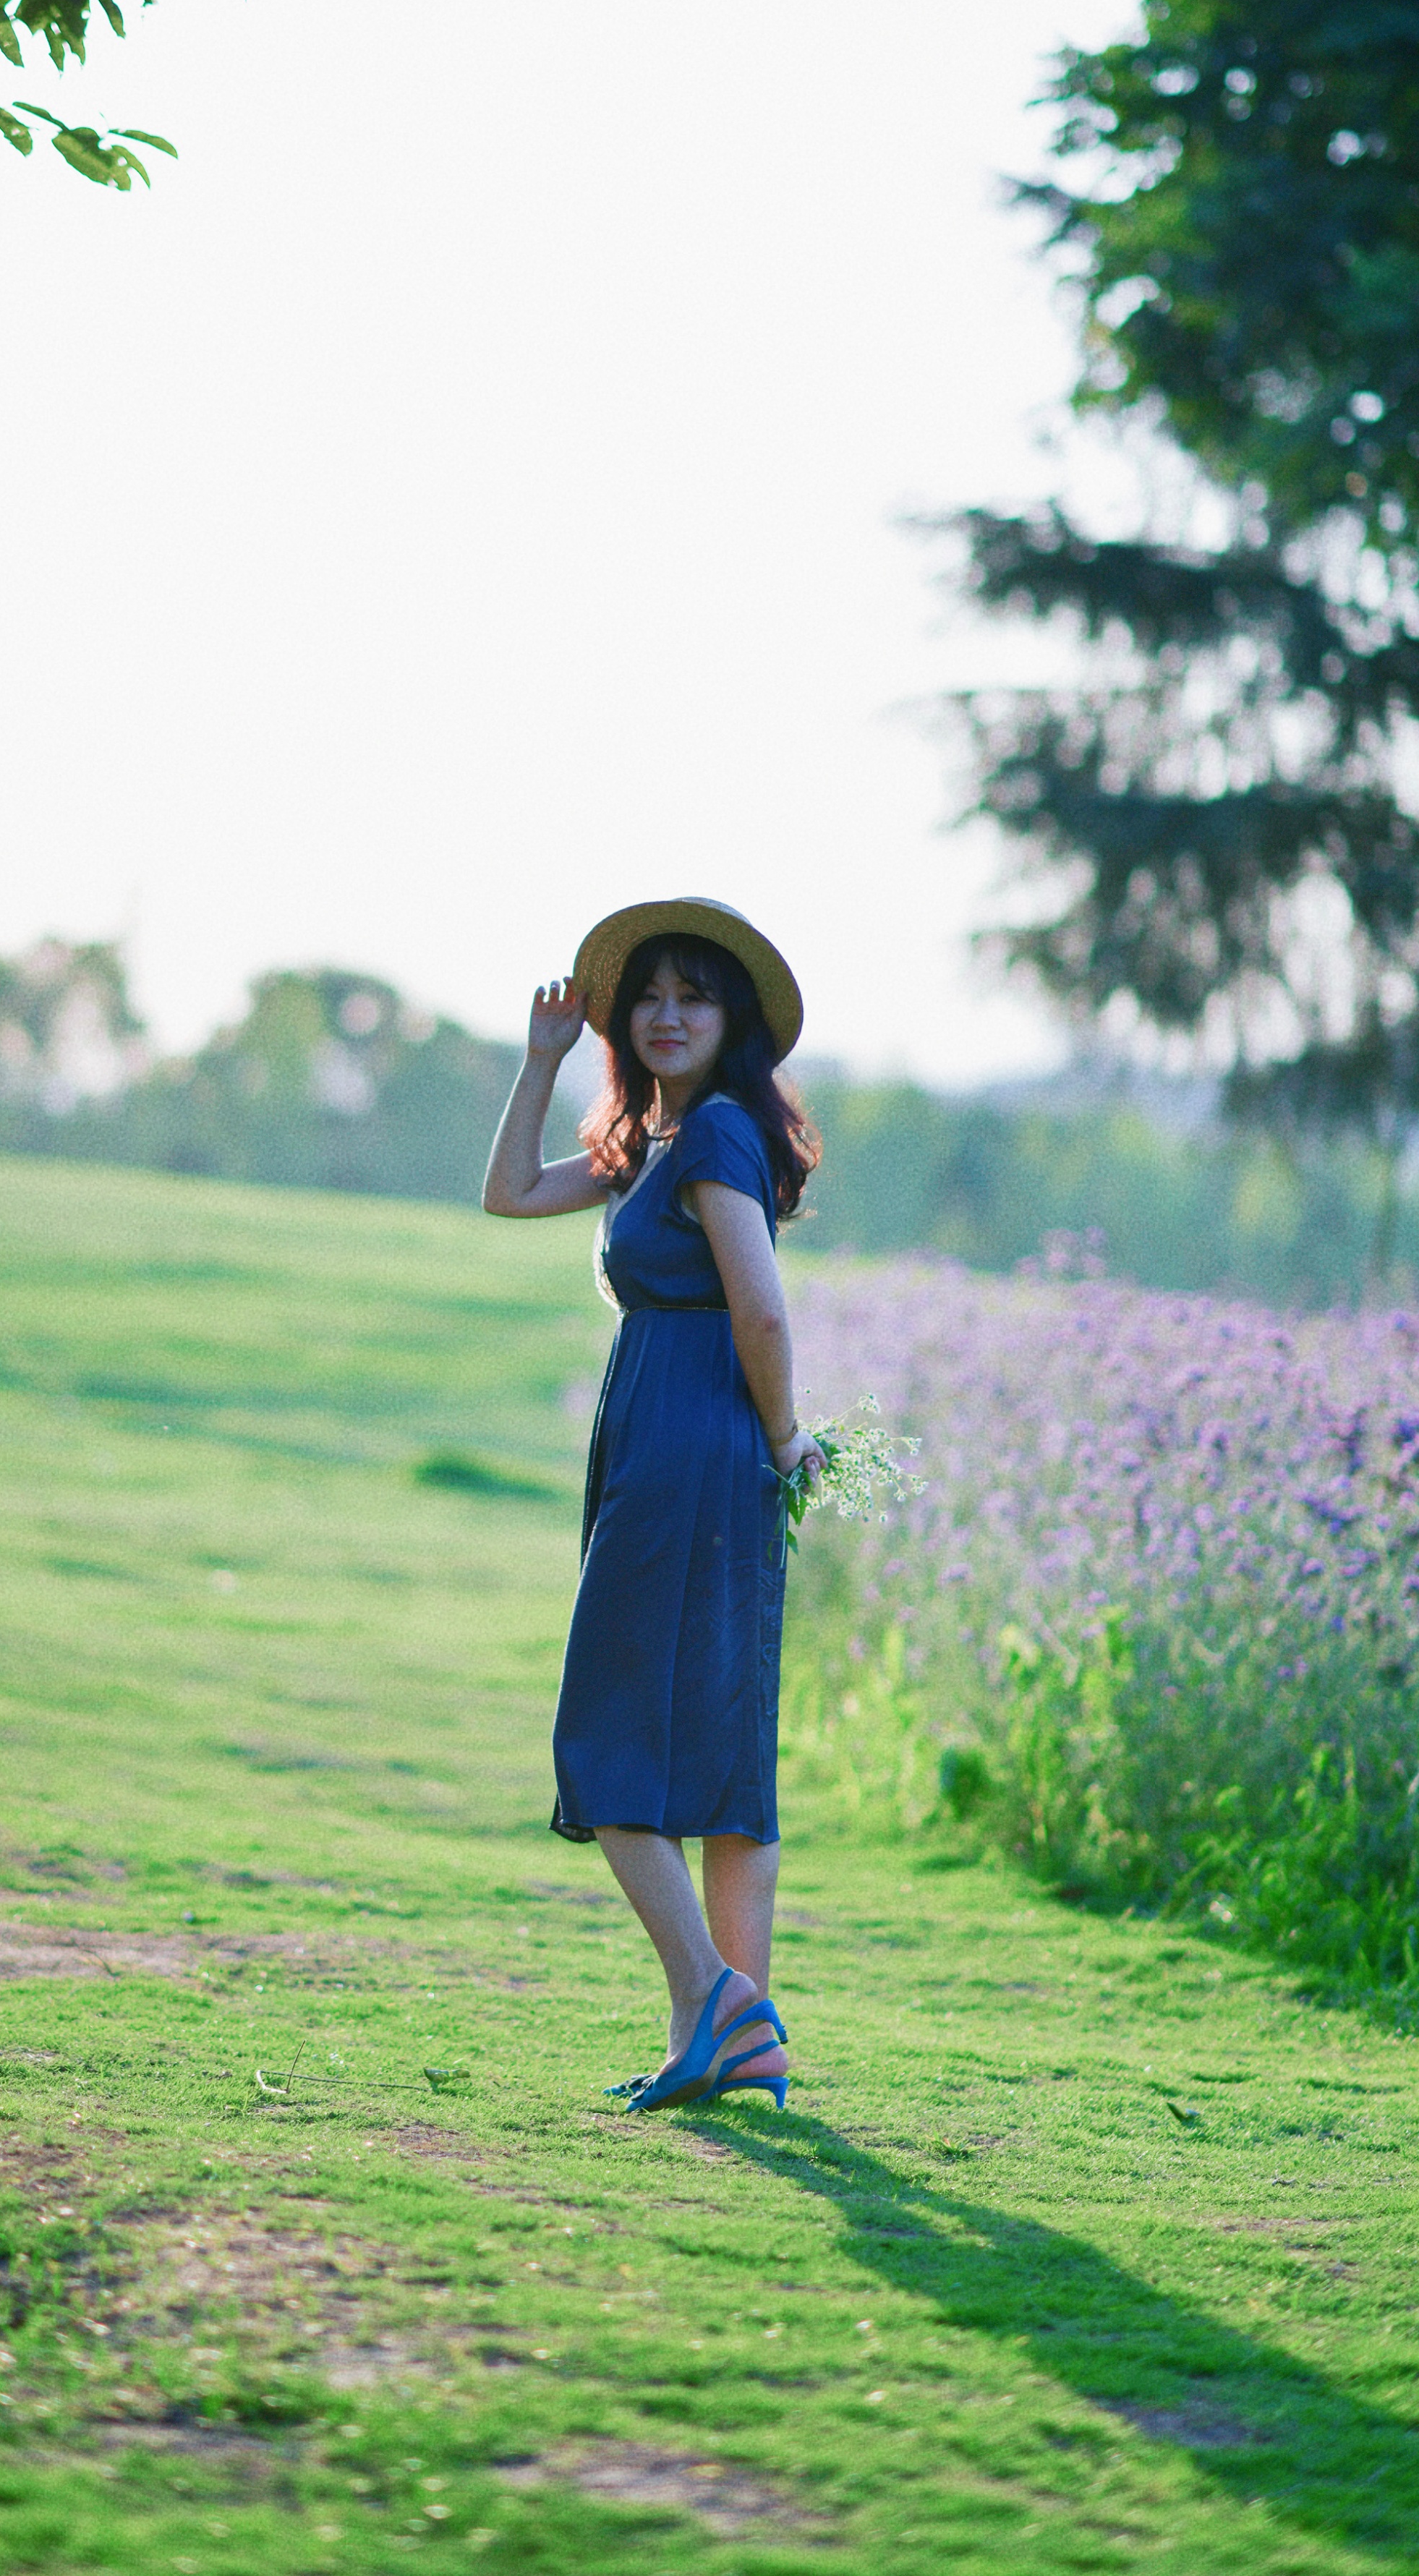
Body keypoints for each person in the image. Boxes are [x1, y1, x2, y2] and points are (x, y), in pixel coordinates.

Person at [482, 898, 824, 2112]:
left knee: (608, 1740)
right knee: (714, 1745)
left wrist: (787, 1441)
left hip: (694, 1444)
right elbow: (512, 1192)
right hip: (681, 1441)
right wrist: (542, 1062)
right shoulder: (660, 1141)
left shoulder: (719, 1134)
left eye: (696, 995)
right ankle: (725, 2040)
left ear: (731, 1021)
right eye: (651, 997)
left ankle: (722, 2006)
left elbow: (764, 1308)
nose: (669, 1013)